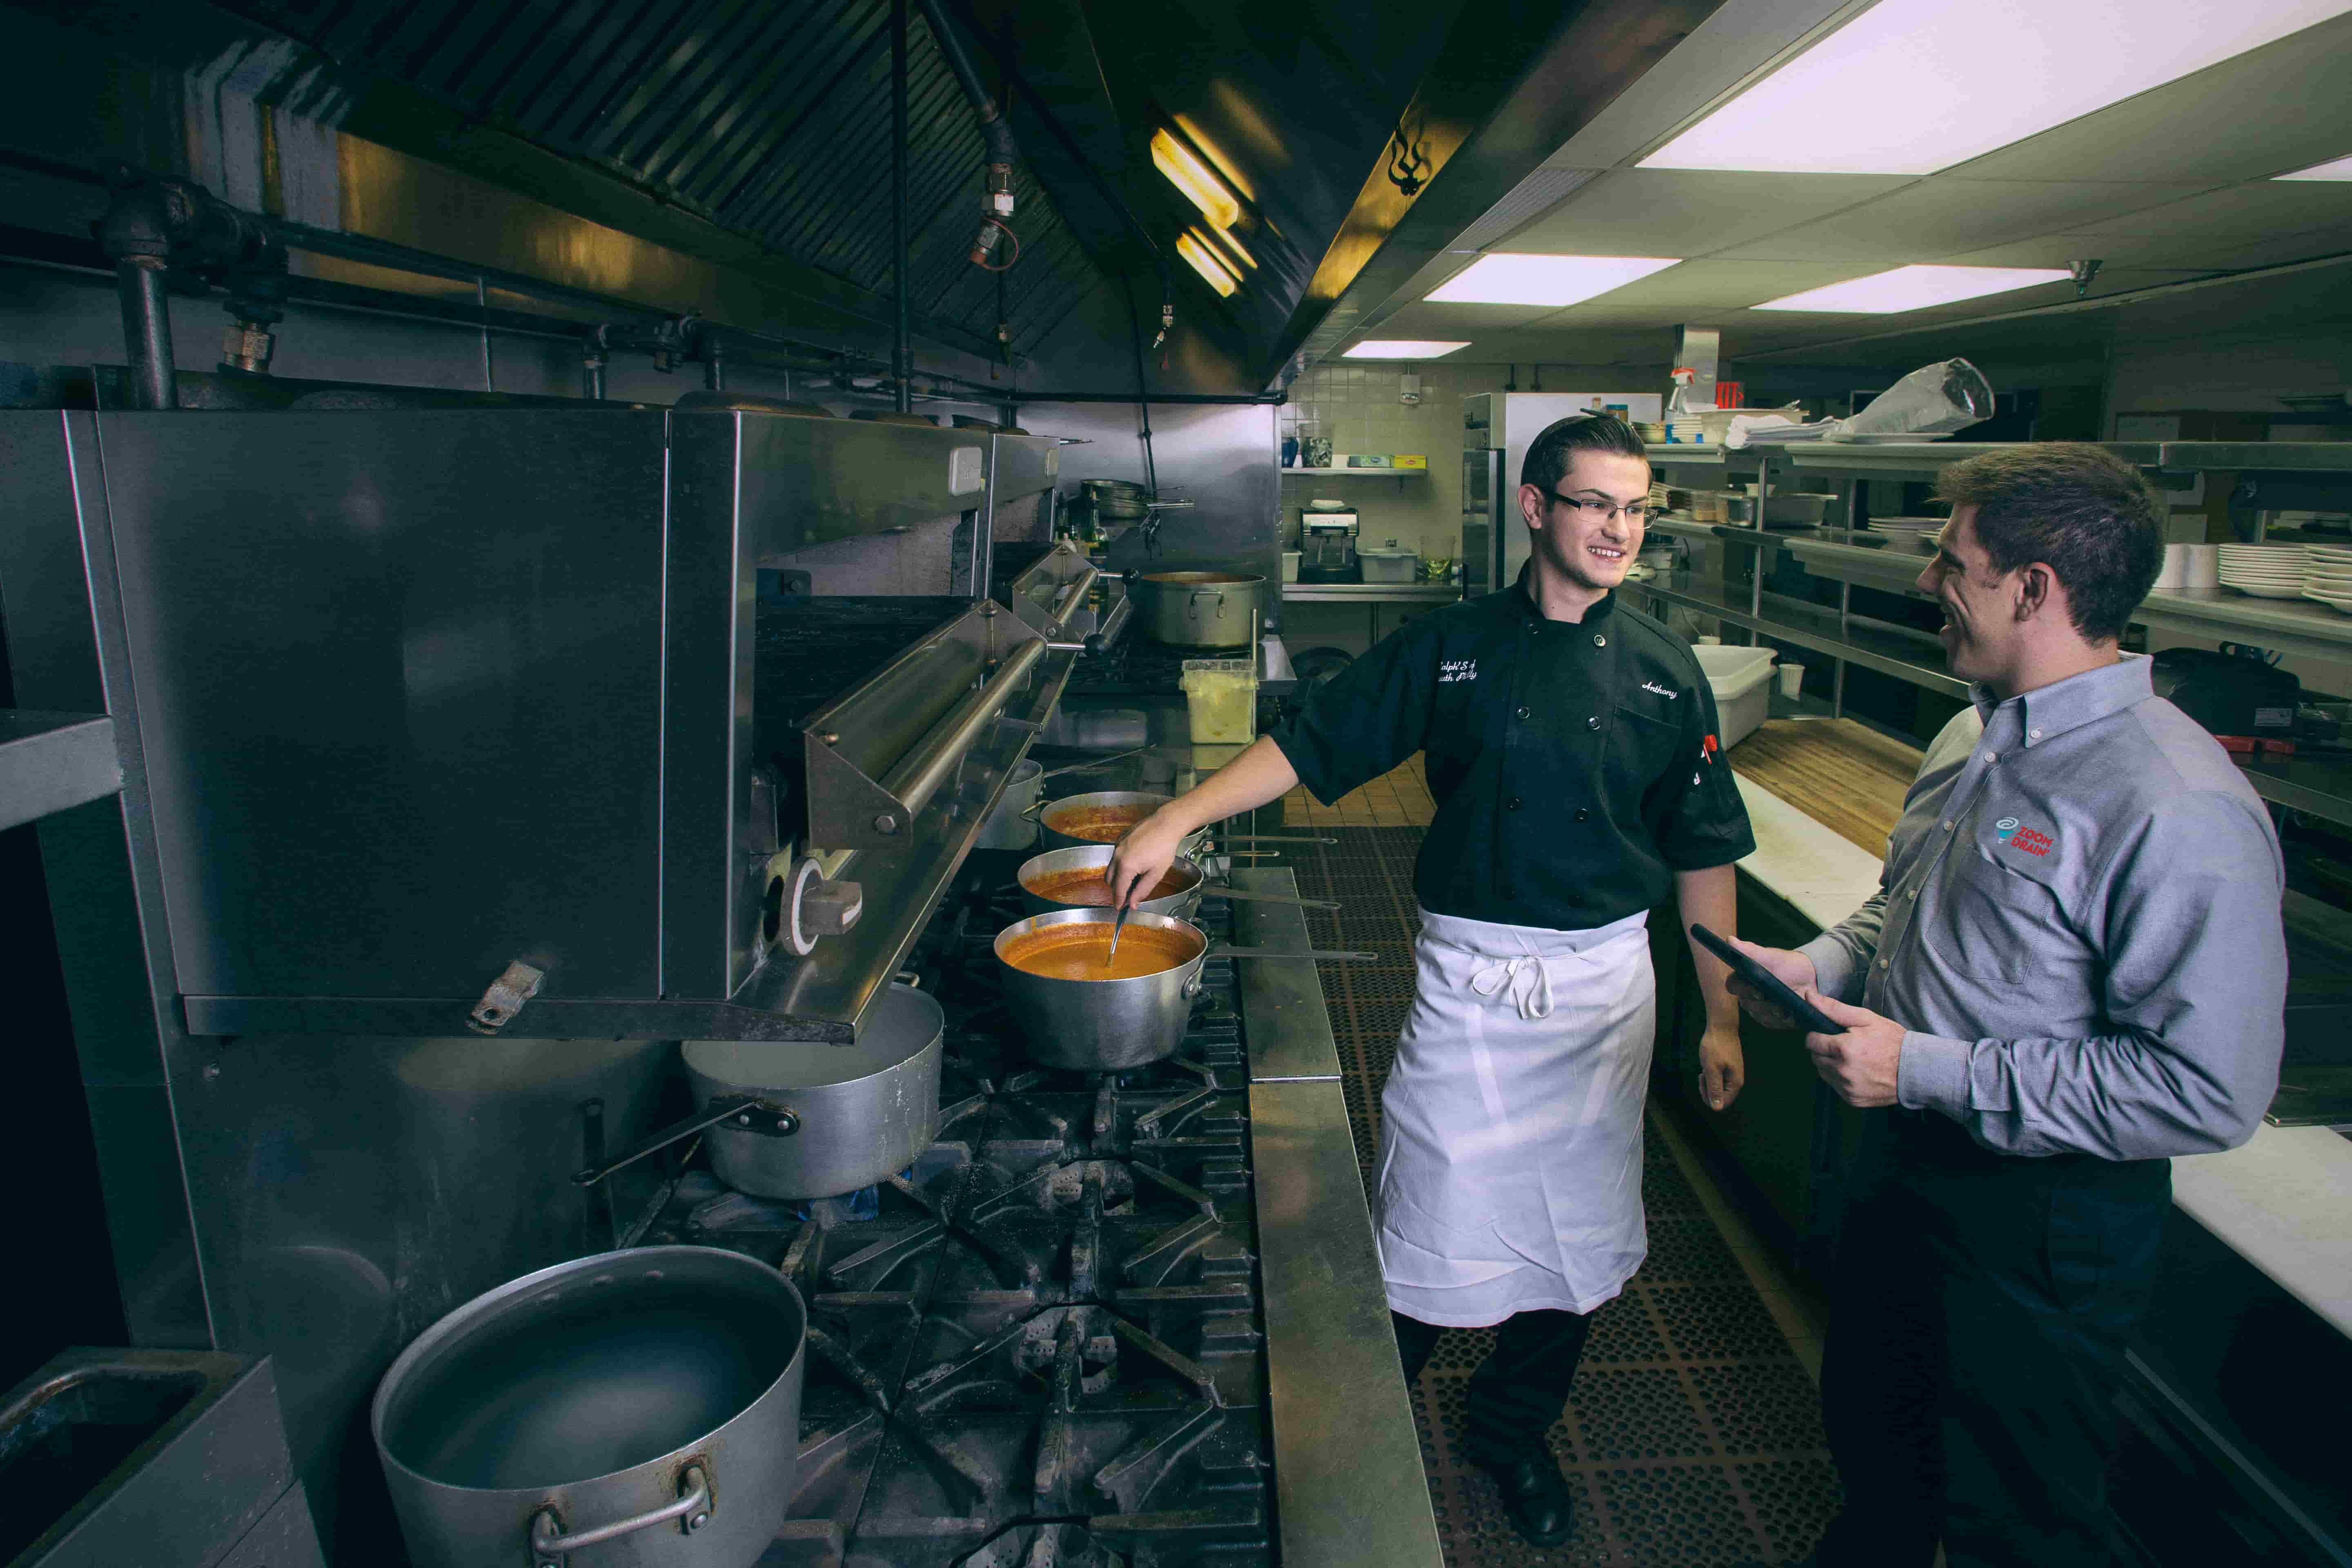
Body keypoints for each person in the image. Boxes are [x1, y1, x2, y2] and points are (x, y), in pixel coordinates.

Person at [1108, 414, 1755, 1548]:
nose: (1618, 527)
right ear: (1537, 507)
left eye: (1636, 507)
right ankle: (1353, 1429)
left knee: (1575, 1240)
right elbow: (1315, 741)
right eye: (1597, 502)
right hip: (1470, 988)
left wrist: (1721, 1017)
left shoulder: (1664, 671)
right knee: (1423, 1220)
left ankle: (1512, 1433)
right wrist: (1180, 813)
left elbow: (1703, 850)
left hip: (1604, 993)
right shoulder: (1449, 646)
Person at [1723, 444, 2287, 1568]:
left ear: (2035, 589)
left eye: (1952, 561)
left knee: (2017, 1515)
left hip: (2042, 1222)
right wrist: (1822, 970)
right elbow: (1907, 911)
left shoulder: (2175, 804)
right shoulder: (1975, 734)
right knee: (1880, 1443)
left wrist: (1925, 1070)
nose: (1927, 580)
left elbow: (2208, 1091)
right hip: (1907, 1167)